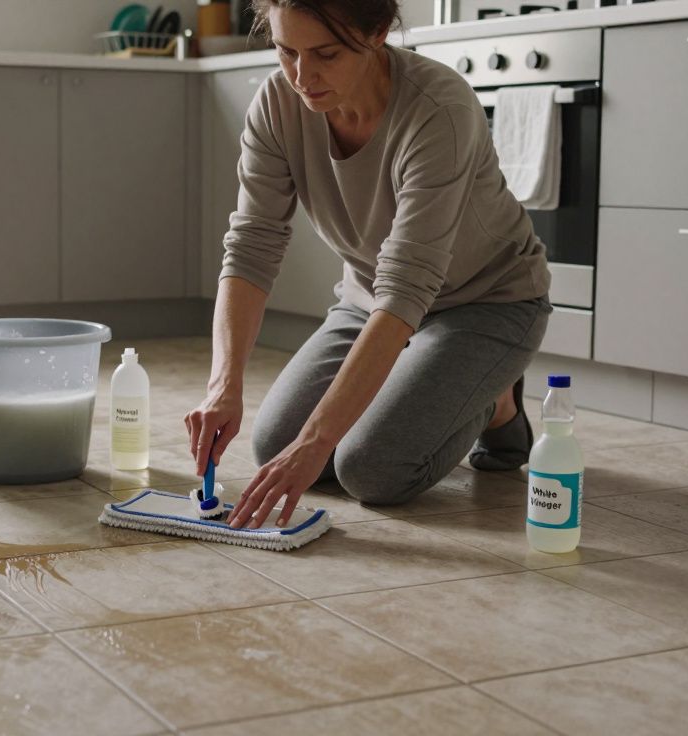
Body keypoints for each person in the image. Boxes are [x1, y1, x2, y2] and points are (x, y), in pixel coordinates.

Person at [184, 0, 553, 530]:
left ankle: (497, 403)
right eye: (287, 52)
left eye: (326, 55)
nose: (302, 76)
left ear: (377, 32)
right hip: (368, 301)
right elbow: (252, 243)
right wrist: (224, 385)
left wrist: (318, 440)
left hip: (487, 301)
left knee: (371, 469)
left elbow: (407, 286)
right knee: (275, 446)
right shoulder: (276, 103)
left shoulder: (439, 108)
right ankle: (423, 376)